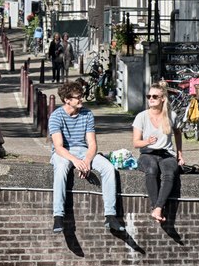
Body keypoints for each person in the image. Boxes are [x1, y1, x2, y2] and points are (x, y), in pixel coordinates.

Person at [48, 79, 123, 234]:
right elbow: (58, 147)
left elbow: (92, 144)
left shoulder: (87, 114)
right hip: (64, 152)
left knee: (109, 168)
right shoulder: (56, 116)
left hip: (84, 151)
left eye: (81, 95)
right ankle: (58, 215)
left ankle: (110, 215)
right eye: (78, 97)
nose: (81, 99)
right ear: (67, 100)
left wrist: (87, 161)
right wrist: (76, 161)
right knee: (61, 167)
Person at [131, 81, 185, 223]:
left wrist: (179, 154)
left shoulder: (171, 116)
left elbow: (178, 134)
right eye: (149, 96)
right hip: (148, 153)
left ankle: (157, 208)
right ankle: (156, 207)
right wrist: (147, 141)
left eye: (155, 96)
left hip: (167, 154)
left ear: (163, 99)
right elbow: (136, 143)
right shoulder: (141, 117)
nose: (151, 99)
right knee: (151, 169)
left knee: (169, 173)